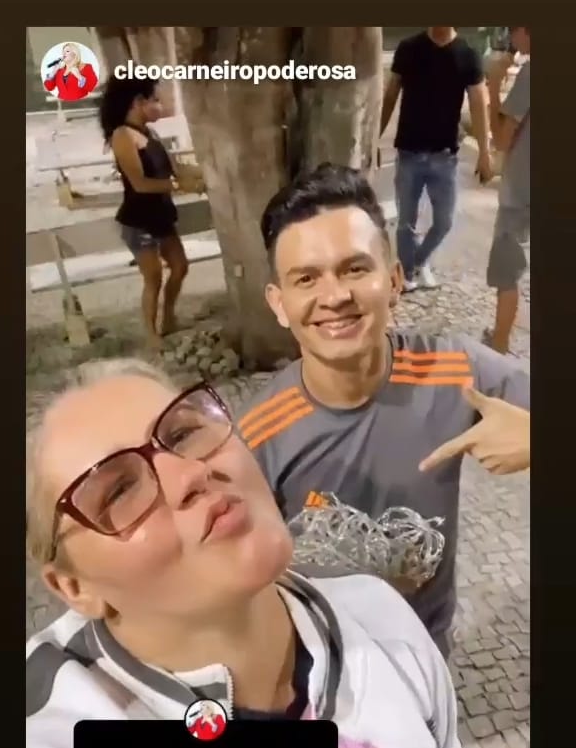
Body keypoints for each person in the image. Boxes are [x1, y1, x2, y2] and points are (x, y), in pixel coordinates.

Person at [26, 358, 460, 748]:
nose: (191, 473)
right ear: (74, 587)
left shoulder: (381, 621)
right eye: (119, 491)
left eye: (183, 433)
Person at [236, 164, 530, 660]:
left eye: (355, 269)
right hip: (321, 665)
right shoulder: (254, 439)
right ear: (279, 303)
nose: (335, 297)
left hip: (427, 653)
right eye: (306, 278)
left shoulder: (453, 370)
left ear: (393, 280)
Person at [380, 26, 493, 291]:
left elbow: (478, 104)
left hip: (444, 155)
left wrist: (485, 152)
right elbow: (390, 95)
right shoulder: (409, 49)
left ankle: (418, 262)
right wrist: (375, 138)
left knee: (444, 222)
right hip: (409, 151)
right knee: (406, 222)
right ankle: (407, 274)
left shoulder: (467, 55)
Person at [99, 75, 188, 353]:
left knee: (180, 267)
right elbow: (139, 184)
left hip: (161, 214)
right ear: (138, 102)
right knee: (153, 277)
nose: (159, 106)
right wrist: (180, 186)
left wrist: (202, 174)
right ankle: (151, 334)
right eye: (155, 100)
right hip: (138, 219)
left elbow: (176, 169)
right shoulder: (122, 135)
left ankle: (169, 318)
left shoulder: (150, 133)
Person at [483, 28, 530, 354]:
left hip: (522, 192)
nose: (511, 39)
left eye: (514, 30)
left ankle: (498, 345)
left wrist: (494, 85)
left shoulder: (530, 74)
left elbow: (501, 138)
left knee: (507, 269)